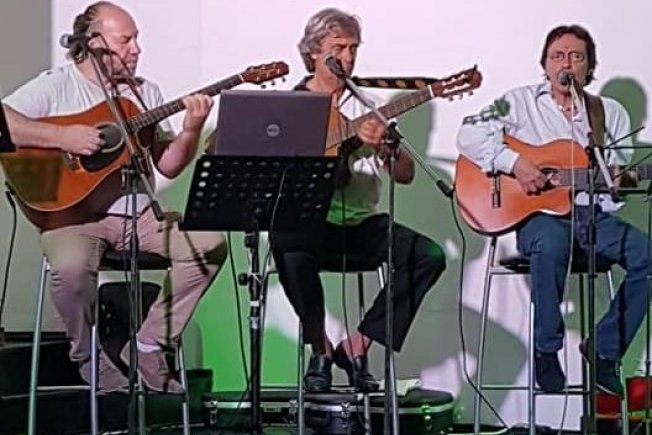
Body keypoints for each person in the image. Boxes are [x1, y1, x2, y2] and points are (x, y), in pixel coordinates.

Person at [3, 1, 227, 393]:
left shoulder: (144, 92)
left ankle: (150, 344)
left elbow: (168, 165)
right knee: (70, 270)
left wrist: (192, 129)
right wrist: (62, 136)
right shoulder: (57, 84)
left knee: (207, 244)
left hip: (141, 215)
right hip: (75, 218)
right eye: (125, 40)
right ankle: (90, 358)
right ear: (93, 43)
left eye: (136, 39)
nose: (136, 49)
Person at [457, 24, 649, 396]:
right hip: (537, 219)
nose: (567, 63)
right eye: (558, 56)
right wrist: (515, 163)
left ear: (589, 66)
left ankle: (604, 350)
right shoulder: (516, 101)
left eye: (576, 57)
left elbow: (612, 193)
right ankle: (547, 350)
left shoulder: (607, 113)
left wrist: (616, 184)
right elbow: (469, 132)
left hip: (591, 217)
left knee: (647, 254)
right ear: (545, 64)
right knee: (551, 244)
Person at [270, 8, 447, 393]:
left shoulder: (371, 105)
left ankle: (356, 347)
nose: (347, 57)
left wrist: (385, 145)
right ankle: (320, 349)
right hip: (310, 225)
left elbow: (404, 174)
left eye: (353, 48)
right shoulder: (290, 106)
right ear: (313, 51)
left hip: (361, 225)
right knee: (286, 242)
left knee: (429, 255)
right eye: (338, 48)